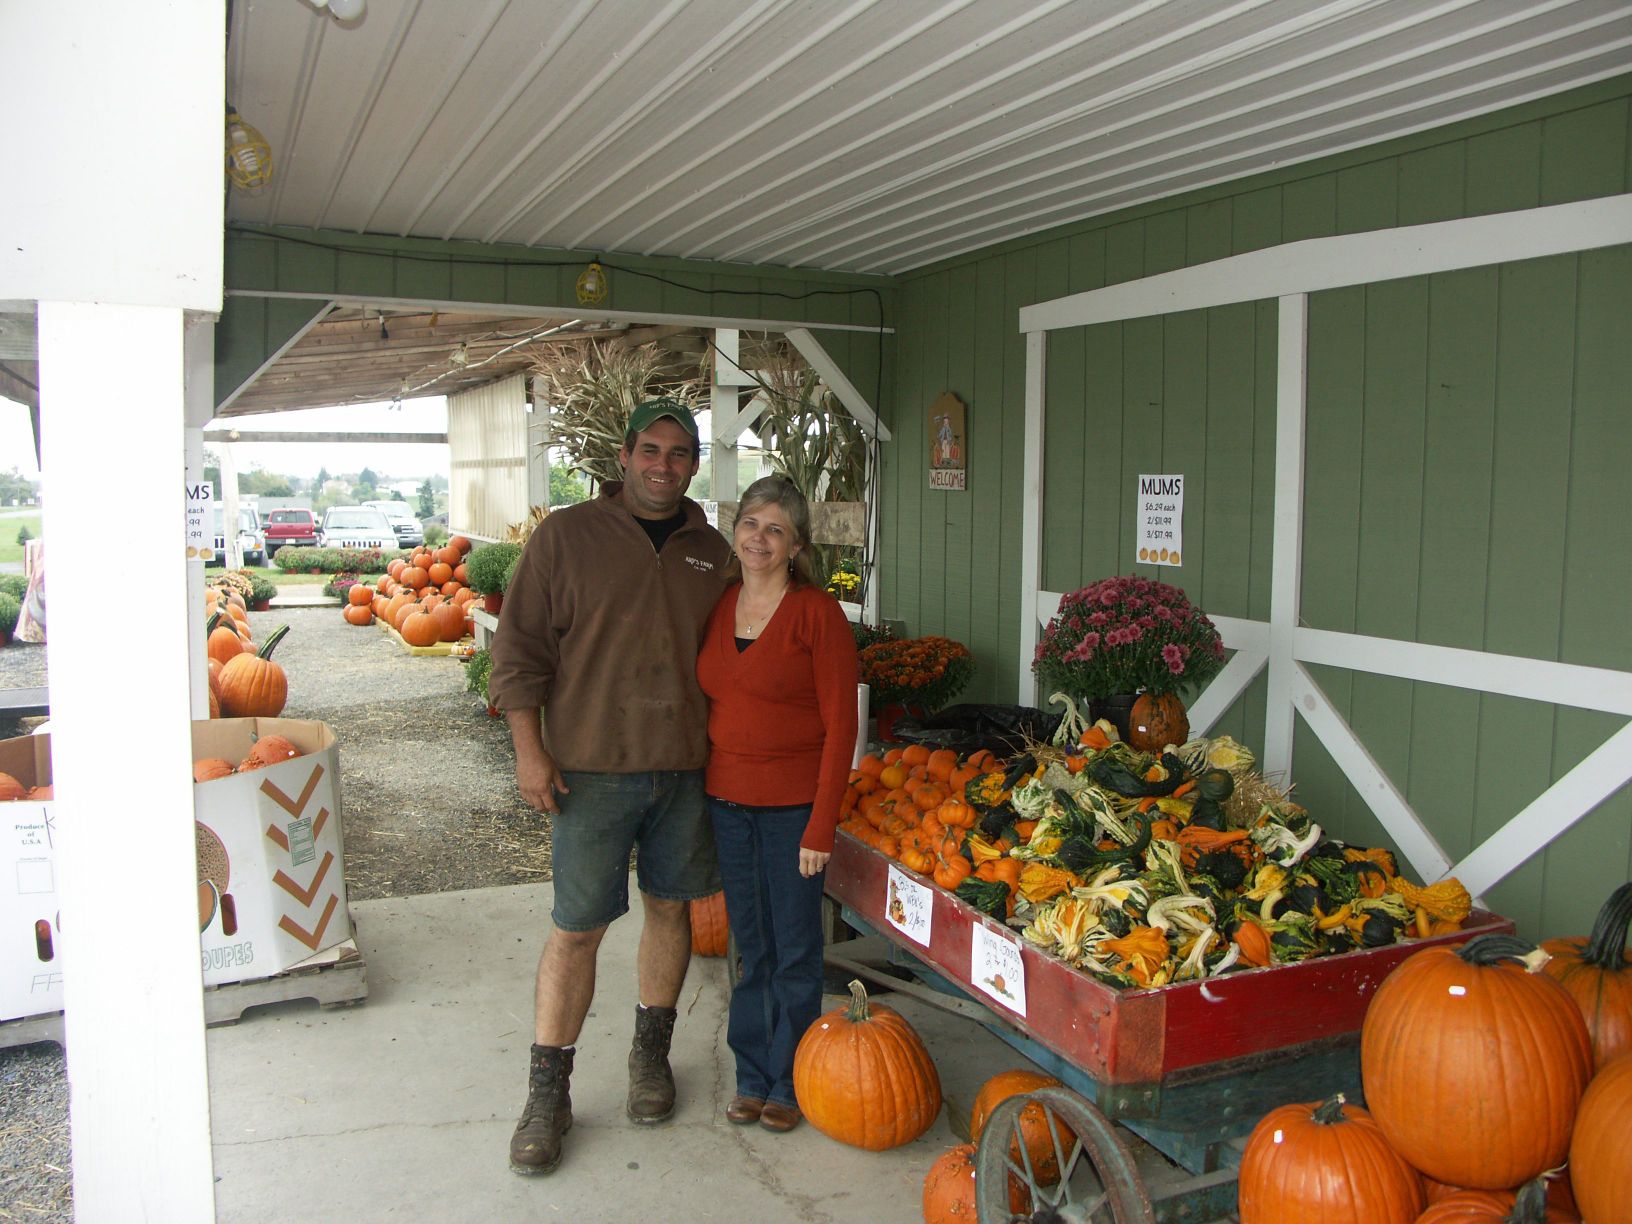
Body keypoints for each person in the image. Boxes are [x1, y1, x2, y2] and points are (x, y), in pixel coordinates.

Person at [487, 396, 731, 1176]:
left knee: (670, 910)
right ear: (623, 457)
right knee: (577, 927)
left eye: (680, 453)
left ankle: (649, 1055)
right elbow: (518, 655)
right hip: (589, 772)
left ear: (695, 464)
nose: (665, 465)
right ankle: (547, 1091)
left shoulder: (712, 551)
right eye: (651, 451)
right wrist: (531, 751)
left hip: (686, 769)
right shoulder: (566, 538)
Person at [695, 475, 858, 1133]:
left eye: (775, 529)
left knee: (794, 947)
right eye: (751, 523)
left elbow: (841, 726)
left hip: (794, 812)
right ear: (735, 531)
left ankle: (790, 1080)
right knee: (749, 944)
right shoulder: (720, 603)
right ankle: (751, 1073)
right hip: (725, 804)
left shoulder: (818, 615)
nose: (759, 539)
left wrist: (822, 823)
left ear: (795, 547)